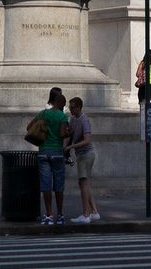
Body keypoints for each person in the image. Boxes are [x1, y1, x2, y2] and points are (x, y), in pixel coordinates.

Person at [34, 86, 70, 226]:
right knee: (58, 185)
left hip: (43, 151)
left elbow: (29, 127)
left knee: (46, 185)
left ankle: (49, 214)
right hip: (57, 152)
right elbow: (62, 134)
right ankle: (59, 214)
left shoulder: (42, 114)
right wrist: (70, 132)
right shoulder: (62, 116)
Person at [68, 95, 98, 225]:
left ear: (79, 107)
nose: (71, 110)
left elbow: (87, 140)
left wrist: (71, 146)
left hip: (86, 154)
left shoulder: (84, 120)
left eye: (73, 107)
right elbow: (70, 134)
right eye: (70, 107)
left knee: (84, 183)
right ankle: (94, 212)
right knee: (83, 183)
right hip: (81, 155)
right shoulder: (73, 119)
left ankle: (86, 214)